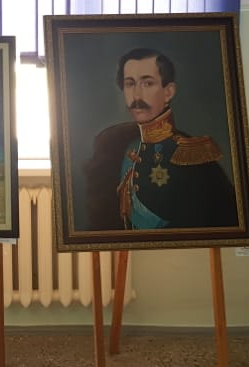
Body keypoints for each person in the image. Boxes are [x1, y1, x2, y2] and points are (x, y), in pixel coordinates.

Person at [82, 48, 239, 231]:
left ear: (168, 92)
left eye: (147, 83)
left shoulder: (193, 154)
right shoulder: (113, 146)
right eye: (130, 84)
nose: (137, 95)